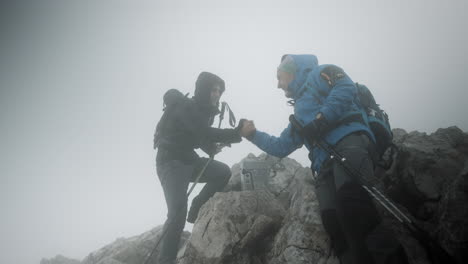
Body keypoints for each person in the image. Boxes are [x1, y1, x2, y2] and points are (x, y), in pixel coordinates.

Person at [239, 55, 408, 264]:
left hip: (349, 140)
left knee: (352, 202)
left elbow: (345, 87)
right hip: (323, 164)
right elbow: (281, 146)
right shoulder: (299, 113)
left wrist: (321, 120)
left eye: (279, 77)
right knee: (334, 224)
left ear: (291, 71)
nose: (277, 84)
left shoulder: (321, 73)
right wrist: (253, 134)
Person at [154, 72, 242, 264]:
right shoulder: (187, 107)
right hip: (170, 162)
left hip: (188, 159)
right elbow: (204, 132)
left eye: (220, 90)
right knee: (177, 212)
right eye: (213, 89)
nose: (217, 94)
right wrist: (237, 133)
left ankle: (197, 208)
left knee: (222, 172)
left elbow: (198, 137)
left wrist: (211, 148)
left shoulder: (203, 112)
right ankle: (165, 260)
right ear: (203, 90)